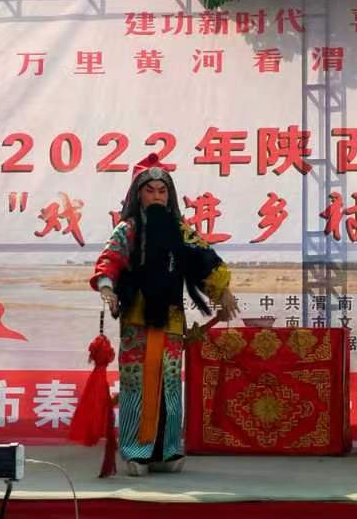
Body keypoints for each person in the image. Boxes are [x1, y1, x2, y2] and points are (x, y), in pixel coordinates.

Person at [90, 153, 238, 476]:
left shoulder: (181, 231)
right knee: (136, 383)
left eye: (162, 191)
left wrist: (221, 290)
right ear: (138, 195)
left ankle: (167, 449)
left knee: (170, 383)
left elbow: (203, 259)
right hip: (137, 320)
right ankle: (135, 451)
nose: (156, 196)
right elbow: (110, 259)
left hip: (171, 320)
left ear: (169, 196)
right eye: (150, 190)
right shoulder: (128, 229)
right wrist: (107, 287)